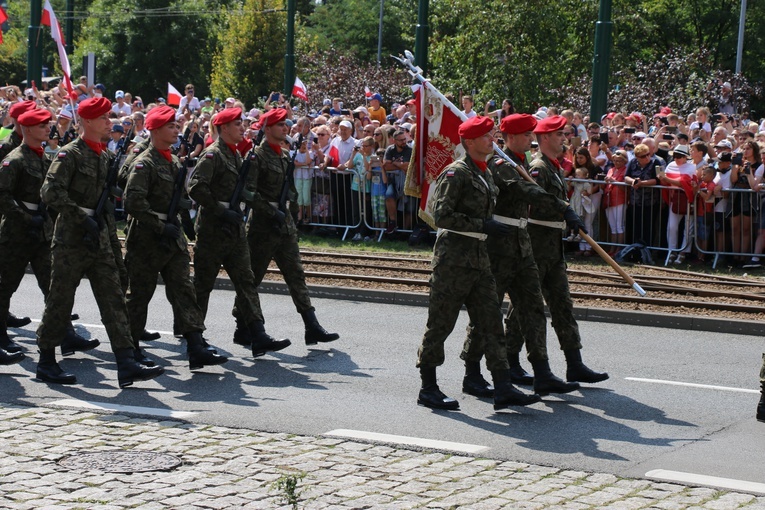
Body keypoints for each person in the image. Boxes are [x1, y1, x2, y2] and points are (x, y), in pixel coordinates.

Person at [416, 115, 541, 411]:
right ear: (470, 142)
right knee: (440, 325)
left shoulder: (484, 172)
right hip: (453, 261)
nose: (492, 140)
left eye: (492, 135)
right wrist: (483, 225)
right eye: (486, 136)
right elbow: (441, 216)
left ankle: (501, 387)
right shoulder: (456, 173)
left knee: (491, 323)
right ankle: (428, 387)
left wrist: (485, 228)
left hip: (480, 259)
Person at [37, 97, 164, 387]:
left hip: (100, 240)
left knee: (114, 299)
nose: (110, 122)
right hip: (71, 239)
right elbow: (50, 192)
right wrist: (81, 217)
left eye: (109, 117)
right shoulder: (70, 155)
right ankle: (46, 360)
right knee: (60, 300)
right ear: (88, 122)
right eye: (104, 118)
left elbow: (111, 195)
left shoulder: (105, 156)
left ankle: (126, 361)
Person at [461, 114, 591, 397]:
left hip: (522, 247)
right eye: (525, 135)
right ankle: (472, 372)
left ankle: (542, 372)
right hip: (499, 249)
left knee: (533, 310)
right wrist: (562, 207)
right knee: (487, 312)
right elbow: (524, 190)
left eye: (531, 134)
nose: (531, 139)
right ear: (509, 138)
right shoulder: (501, 164)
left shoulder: (519, 163)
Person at [123, 105, 227, 370]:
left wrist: (185, 221)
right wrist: (159, 225)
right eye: (170, 126)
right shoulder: (144, 162)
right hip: (147, 238)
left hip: (173, 236)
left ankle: (195, 345)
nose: (175, 129)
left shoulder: (173, 161)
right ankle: (130, 349)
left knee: (183, 289)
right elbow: (132, 201)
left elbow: (177, 198)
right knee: (139, 295)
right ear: (156, 130)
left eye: (175, 125)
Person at [515, 115, 609, 391]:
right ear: (544, 138)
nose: (564, 139)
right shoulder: (537, 167)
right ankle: (511, 363)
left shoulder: (554, 167)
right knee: (526, 309)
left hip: (552, 246)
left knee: (562, 305)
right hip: (537, 244)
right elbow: (533, 204)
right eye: (558, 135)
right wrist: (564, 212)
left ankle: (574, 362)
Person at [189, 107, 291, 357]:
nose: (242, 128)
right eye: (237, 125)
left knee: (246, 281)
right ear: (224, 128)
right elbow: (195, 187)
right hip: (214, 228)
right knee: (203, 286)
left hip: (234, 229)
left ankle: (258, 334)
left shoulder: (235, 156)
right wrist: (220, 210)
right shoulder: (212, 155)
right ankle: (195, 338)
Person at [234, 107, 339, 347]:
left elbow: (290, 189)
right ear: (267, 128)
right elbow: (247, 192)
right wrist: (272, 210)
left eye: (285, 124)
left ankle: (312, 326)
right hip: (263, 226)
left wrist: (291, 214)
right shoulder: (256, 157)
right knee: (253, 278)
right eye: (280, 124)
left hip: (284, 226)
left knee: (296, 275)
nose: (285, 128)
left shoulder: (284, 156)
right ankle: (242, 327)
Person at [0, 108, 94, 359]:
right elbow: (3, 196)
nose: (47, 129)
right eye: (42, 126)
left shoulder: (43, 159)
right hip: (16, 233)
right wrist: (26, 218)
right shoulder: (15, 159)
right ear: (28, 129)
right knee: (5, 286)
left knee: (54, 287)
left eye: (47, 125)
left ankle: (66, 333)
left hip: (41, 233)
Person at [0, 100, 39, 330]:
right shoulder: (8, 148)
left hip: (26, 217)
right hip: (10, 216)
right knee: (7, 273)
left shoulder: (33, 146)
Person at [657, 145, 697, 264]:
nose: (676, 159)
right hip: (674, 199)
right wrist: (661, 179)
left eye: (679, 156)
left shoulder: (691, 167)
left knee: (687, 228)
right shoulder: (670, 165)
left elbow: (685, 183)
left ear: (685, 157)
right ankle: (672, 251)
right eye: (675, 156)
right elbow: (667, 182)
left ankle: (683, 252)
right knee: (671, 227)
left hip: (688, 199)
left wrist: (667, 180)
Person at [624, 143, 662, 248]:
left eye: (648, 154)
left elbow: (659, 179)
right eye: (643, 156)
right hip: (635, 201)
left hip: (650, 202)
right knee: (635, 227)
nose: (647, 157)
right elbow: (626, 176)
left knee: (648, 228)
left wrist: (642, 183)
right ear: (637, 157)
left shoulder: (656, 162)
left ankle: (647, 250)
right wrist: (633, 182)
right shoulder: (632, 162)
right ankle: (634, 250)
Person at [382, 130, 411, 234]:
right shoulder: (390, 149)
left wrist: (394, 163)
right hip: (393, 181)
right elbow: (386, 166)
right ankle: (393, 222)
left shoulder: (409, 149)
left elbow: (407, 166)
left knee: (408, 207)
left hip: (407, 181)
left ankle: (406, 231)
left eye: (405, 139)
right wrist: (400, 164)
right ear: (394, 141)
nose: (404, 142)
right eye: (401, 140)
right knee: (389, 196)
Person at [603, 150, 629, 254]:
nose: (616, 163)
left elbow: (626, 188)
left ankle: (619, 248)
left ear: (624, 161)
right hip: (609, 199)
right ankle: (613, 248)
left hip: (620, 200)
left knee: (619, 226)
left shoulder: (626, 170)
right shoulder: (611, 170)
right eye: (614, 160)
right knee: (613, 227)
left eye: (619, 161)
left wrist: (614, 181)